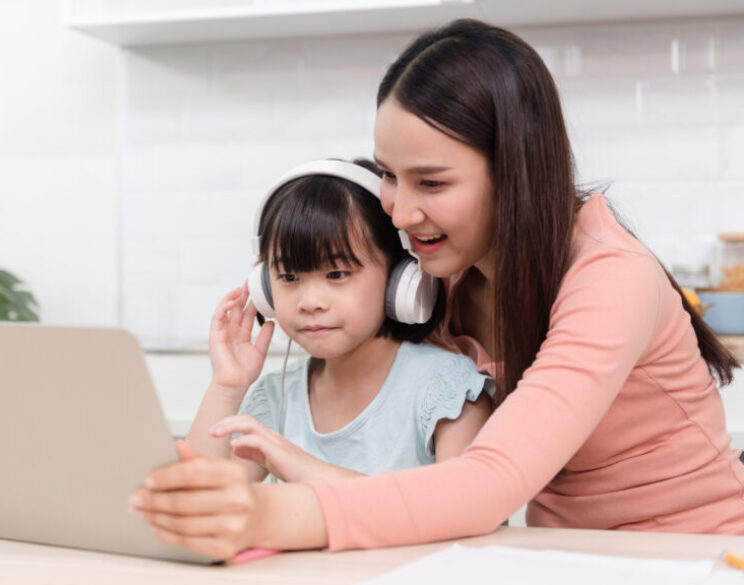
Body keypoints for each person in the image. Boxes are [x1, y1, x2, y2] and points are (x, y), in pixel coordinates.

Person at [128, 19, 744, 559]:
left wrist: (269, 514)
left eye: (432, 182)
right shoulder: (440, 278)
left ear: (516, 172)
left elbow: (488, 482)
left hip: (691, 555)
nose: (398, 212)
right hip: (563, 555)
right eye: (390, 176)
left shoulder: (613, 278)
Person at [187, 159, 493, 484]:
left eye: (337, 274)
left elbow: (460, 511)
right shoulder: (275, 398)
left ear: (400, 279)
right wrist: (226, 388)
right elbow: (194, 505)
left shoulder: (448, 389)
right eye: (289, 276)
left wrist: (303, 468)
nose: (310, 302)